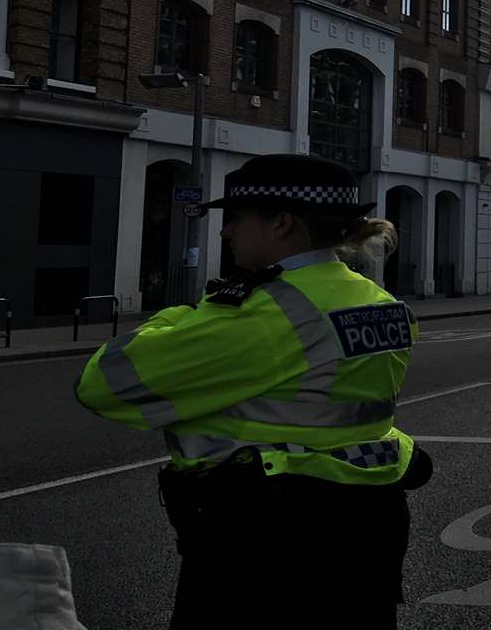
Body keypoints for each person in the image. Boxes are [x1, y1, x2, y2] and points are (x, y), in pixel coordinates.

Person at [75, 154, 430, 629]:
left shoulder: (268, 314)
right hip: (370, 523)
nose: (226, 232)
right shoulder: (382, 303)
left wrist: (179, 317)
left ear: (281, 222)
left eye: (236, 218)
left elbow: (102, 383)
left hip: (269, 534)